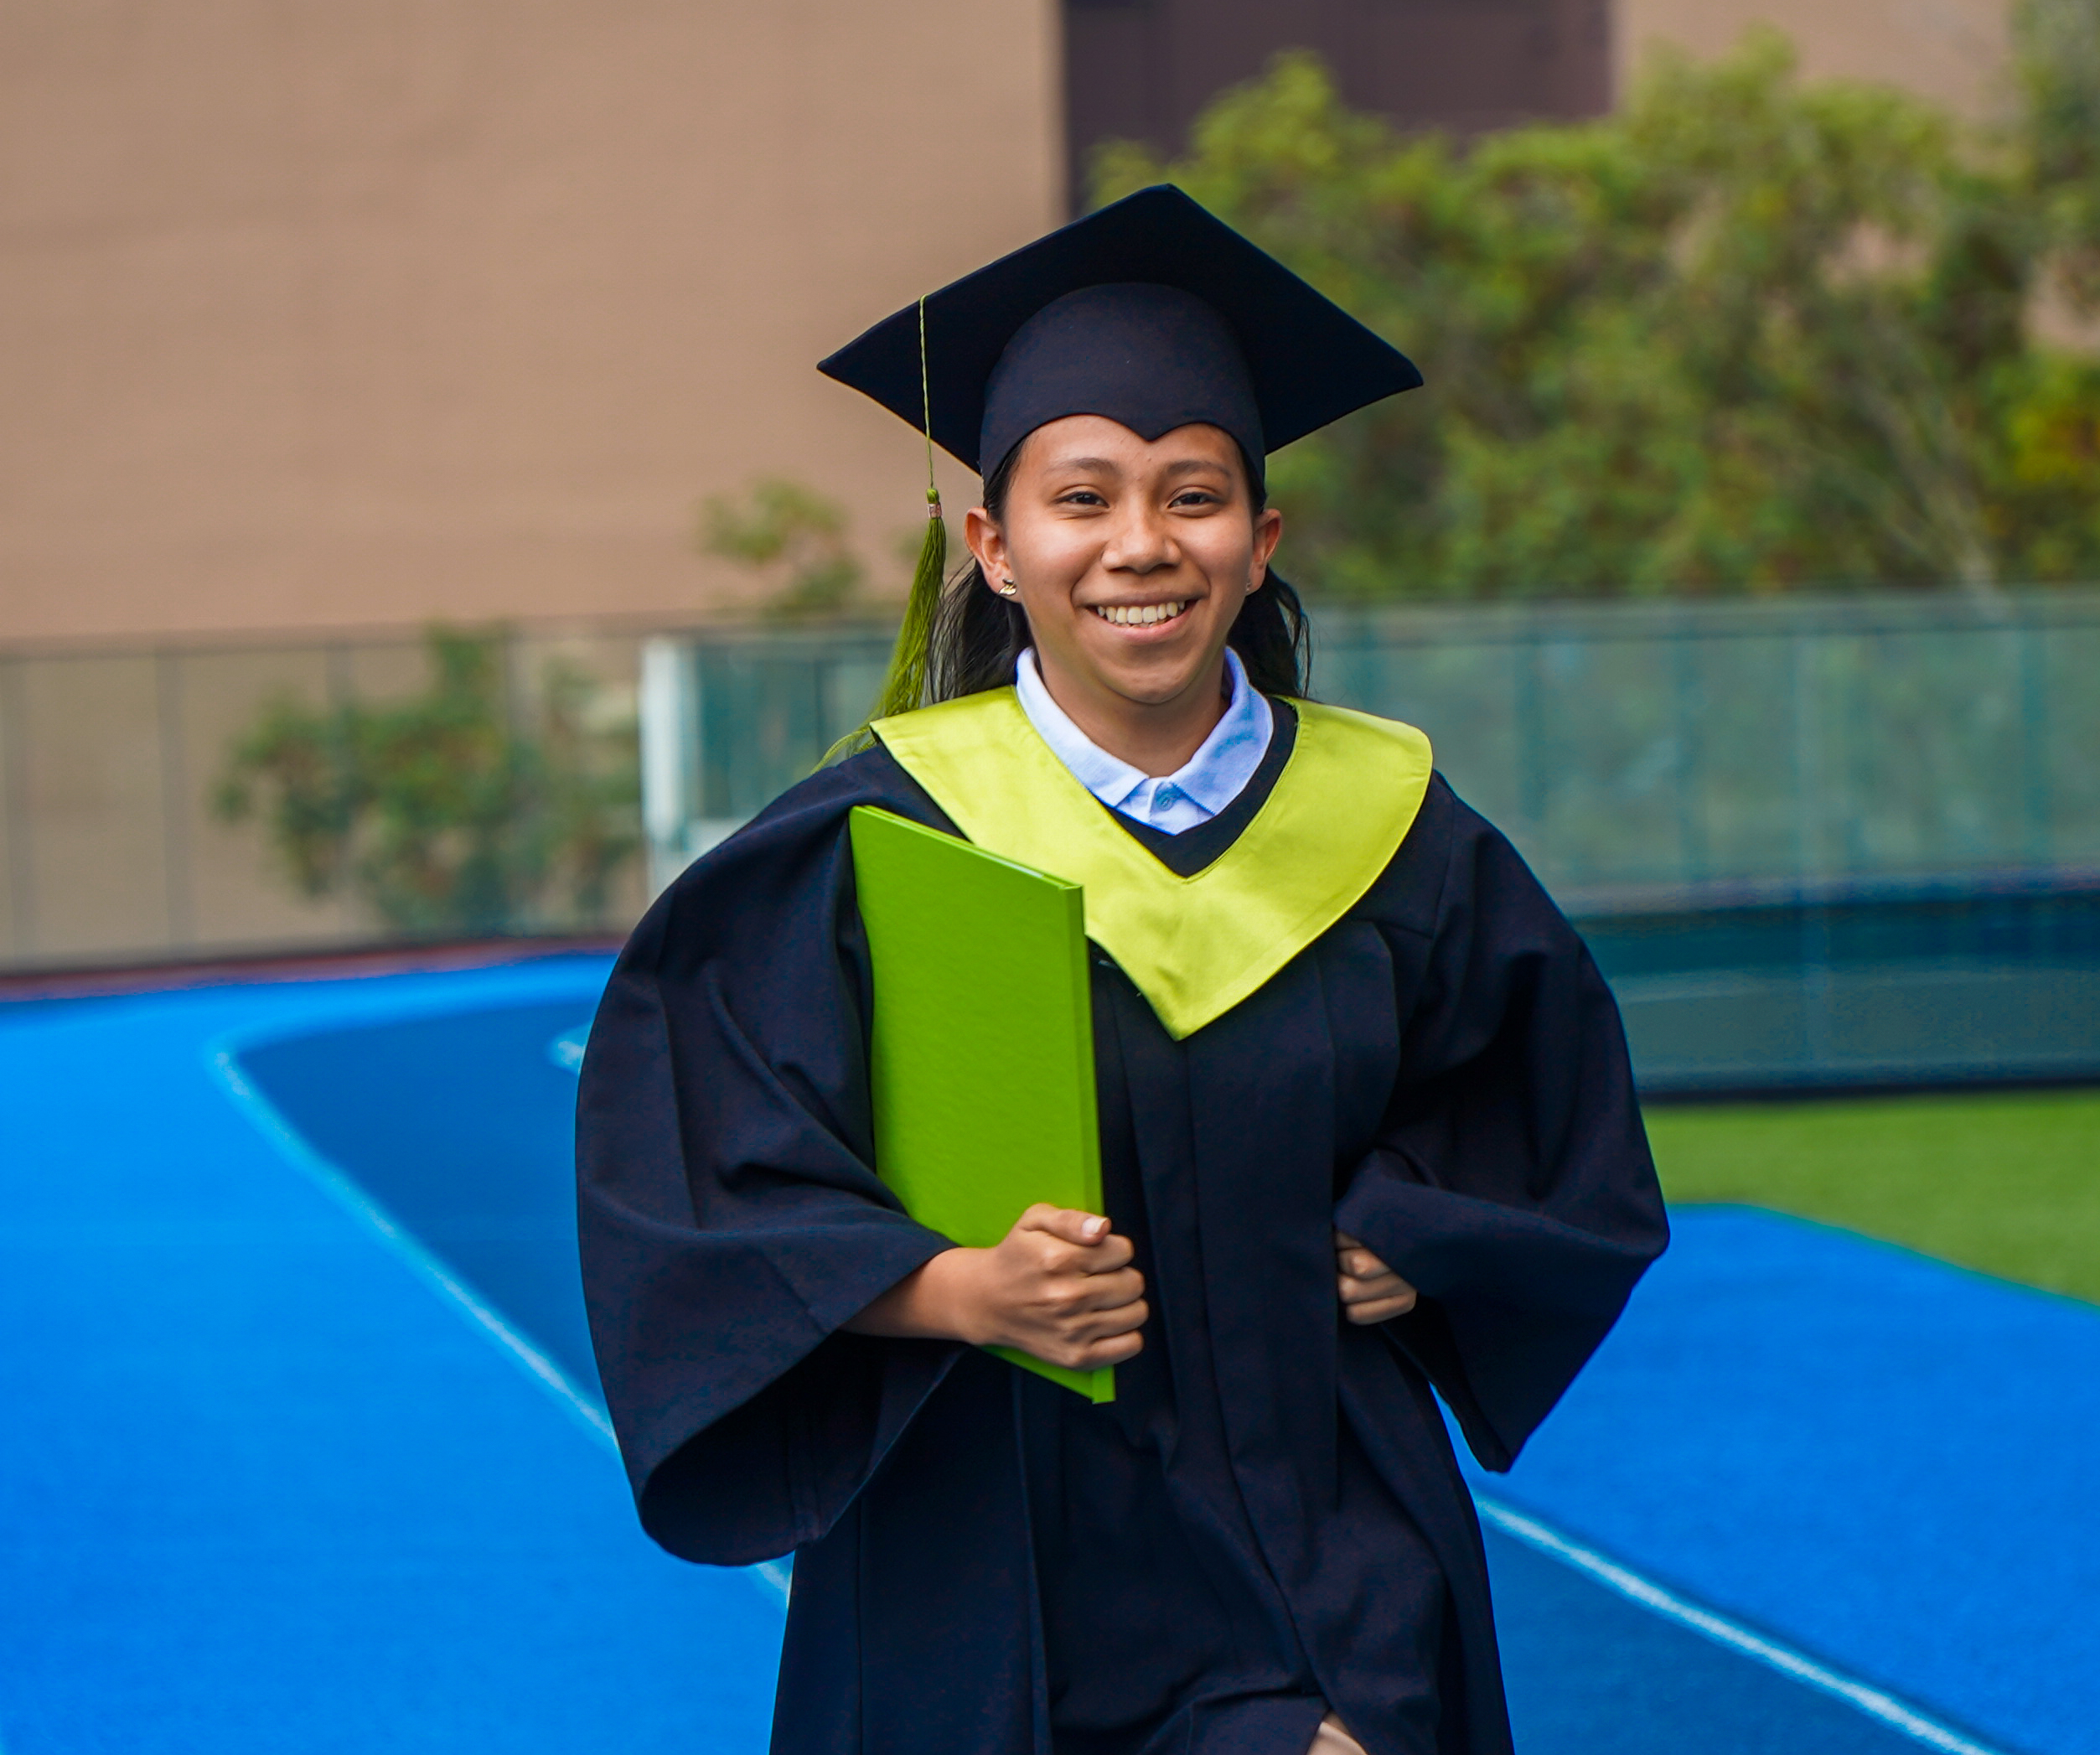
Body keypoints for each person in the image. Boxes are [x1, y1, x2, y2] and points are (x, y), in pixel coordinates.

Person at [576, 185, 1668, 1755]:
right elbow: (687, 1182)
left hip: (1325, 1516)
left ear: (1260, 536)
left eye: (1193, 494)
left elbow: (1543, 1115)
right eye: (1082, 499)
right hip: (997, 1554)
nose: (1141, 545)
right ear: (995, 547)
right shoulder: (879, 838)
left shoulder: (1394, 830)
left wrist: (1428, 1234)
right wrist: (956, 1289)